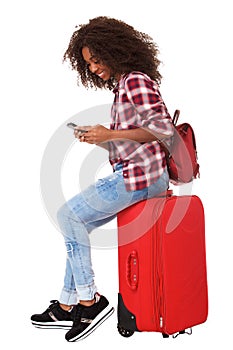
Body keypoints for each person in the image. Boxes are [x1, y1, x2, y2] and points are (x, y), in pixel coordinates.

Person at [31, 16, 174, 342]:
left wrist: (109, 133)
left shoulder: (136, 81)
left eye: (97, 59)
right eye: (89, 63)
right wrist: (103, 138)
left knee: (69, 215)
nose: (94, 68)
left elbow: (164, 131)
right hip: (136, 173)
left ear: (115, 50)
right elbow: (137, 135)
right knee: (76, 224)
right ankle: (67, 307)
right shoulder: (124, 85)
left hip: (143, 176)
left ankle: (90, 302)